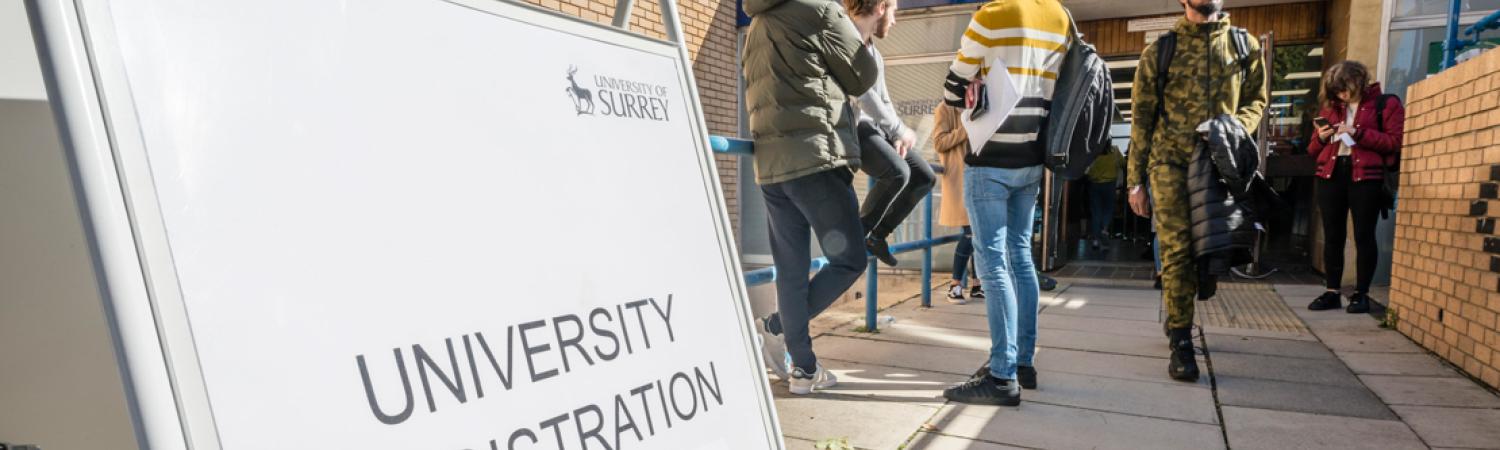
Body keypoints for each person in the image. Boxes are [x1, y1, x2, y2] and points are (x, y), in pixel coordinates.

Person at [937, 0, 1073, 406]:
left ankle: (1001, 376)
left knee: (993, 264)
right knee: (1020, 258)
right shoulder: (1060, 15)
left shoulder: (992, 15)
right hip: (1032, 159)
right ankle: (1023, 363)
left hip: (990, 160)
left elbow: (951, 91)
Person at [742, 0, 879, 395]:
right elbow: (862, 76)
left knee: (790, 270)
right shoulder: (819, 9)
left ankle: (803, 370)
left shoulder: (757, 22)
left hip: (771, 168)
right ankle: (777, 327)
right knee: (850, 258)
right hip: (815, 161)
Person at [1127, 0, 1267, 381]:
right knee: (1177, 250)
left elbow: (1257, 100)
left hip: (1219, 162)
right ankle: (1181, 341)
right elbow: (1142, 118)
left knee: (1211, 249)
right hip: (1168, 161)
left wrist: (1234, 126)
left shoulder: (1244, 45)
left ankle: (1193, 289)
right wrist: (1135, 182)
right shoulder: (1162, 50)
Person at [1306, 60, 1404, 313]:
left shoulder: (1385, 104)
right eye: (1337, 91)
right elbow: (1312, 150)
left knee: (1363, 235)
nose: (1342, 95)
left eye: (1345, 89)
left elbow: (1394, 142)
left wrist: (1357, 133)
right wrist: (1321, 137)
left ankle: (1361, 293)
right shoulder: (1331, 109)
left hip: (1366, 175)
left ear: (1359, 81)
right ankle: (1331, 291)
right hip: (1331, 174)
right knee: (1333, 235)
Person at [847, 0, 937, 268]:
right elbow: (863, 95)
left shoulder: (875, 53)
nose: (895, 21)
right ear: (881, 7)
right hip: (855, 125)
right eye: (895, 13)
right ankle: (857, 237)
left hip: (876, 126)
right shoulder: (845, 39)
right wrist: (897, 129)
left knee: (924, 177)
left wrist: (897, 133)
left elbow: (884, 100)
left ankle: (877, 236)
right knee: (898, 172)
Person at [932, 103, 984, 304]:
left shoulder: (981, 106)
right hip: (960, 179)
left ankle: (977, 285)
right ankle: (955, 285)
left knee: (978, 232)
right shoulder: (945, 109)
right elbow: (939, 142)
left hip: (980, 176)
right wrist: (967, 128)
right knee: (971, 232)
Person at [1085, 146, 1123, 251]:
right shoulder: (1115, 150)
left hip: (1094, 183)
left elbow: (1086, 167)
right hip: (1110, 184)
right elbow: (1123, 163)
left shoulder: (1093, 150)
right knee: (1108, 209)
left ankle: (1096, 240)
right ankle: (1104, 229)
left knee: (1096, 212)